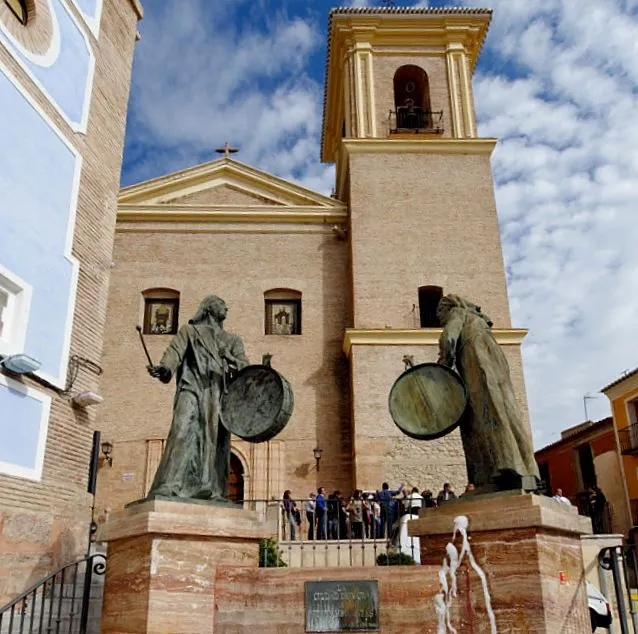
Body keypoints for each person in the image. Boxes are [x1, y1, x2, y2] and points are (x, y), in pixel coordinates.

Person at [147, 295, 249, 500]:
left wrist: (229, 358)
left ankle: (210, 487)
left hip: (218, 395)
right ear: (209, 309)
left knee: (215, 440)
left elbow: (245, 367)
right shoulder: (189, 331)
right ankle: (169, 485)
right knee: (181, 428)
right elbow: (174, 352)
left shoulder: (232, 340)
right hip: (191, 387)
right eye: (222, 304)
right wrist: (165, 368)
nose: (226, 308)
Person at [437, 294, 540, 491]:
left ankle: (502, 471)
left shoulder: (457, 313)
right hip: (496, 368)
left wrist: (443, 364)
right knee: (508, 414)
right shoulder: (480, 323)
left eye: (439, 313)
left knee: (485, 416)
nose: (439, 318)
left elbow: (449, 337)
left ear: (447, 308)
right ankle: (526, 470)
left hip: (478, 368)